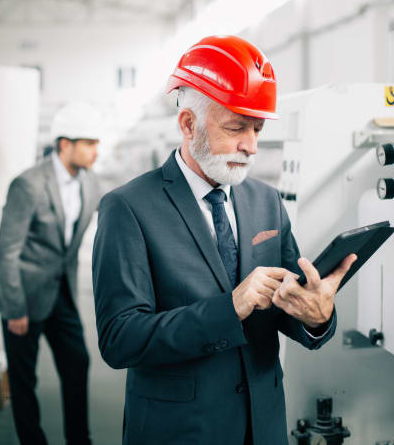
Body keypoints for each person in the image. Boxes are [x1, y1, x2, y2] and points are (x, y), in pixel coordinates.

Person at [92, 35, 356, 445]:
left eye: (257, 128)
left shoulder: (266, 202)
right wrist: (230, 307)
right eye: (236, 128)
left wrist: (316, 316)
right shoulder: (128, 208)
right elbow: (120, 339)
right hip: (181, 431)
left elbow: (285, 304)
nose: (251, 145)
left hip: (264, 426)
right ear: (188, 124)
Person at [0, 102, 102, 445]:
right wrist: (14, 310)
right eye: (88, 143)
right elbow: (7, 251)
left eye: (96, 143)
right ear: (64, 144)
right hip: (23, 296)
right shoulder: (28, 184)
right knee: (24, 380)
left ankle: (79, 439)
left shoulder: (90, 184)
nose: (95, 151)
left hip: (62, 294)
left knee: (78, 364)